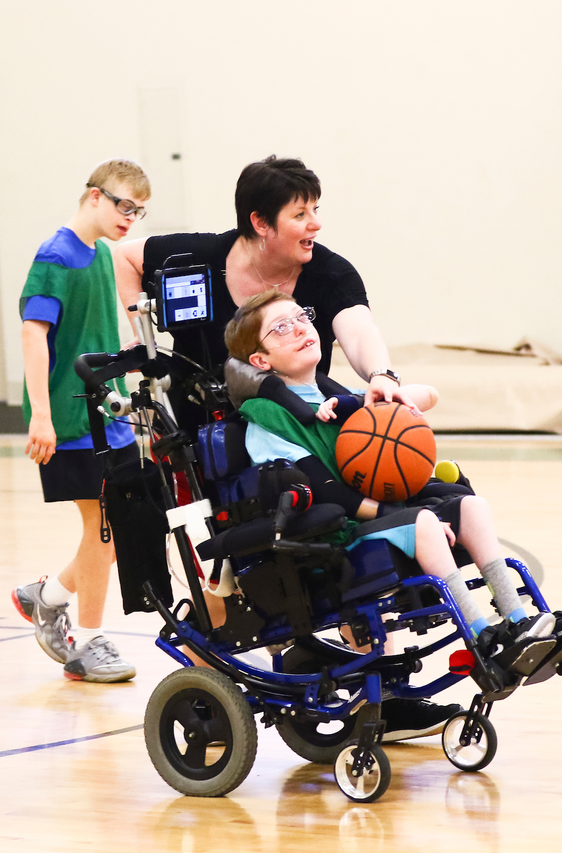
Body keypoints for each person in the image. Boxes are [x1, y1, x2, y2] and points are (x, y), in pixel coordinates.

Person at [113, 155, 459, 738]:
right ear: (261, 223)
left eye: (316, 210)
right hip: (212, 443)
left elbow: (356, 328)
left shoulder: (327, 272)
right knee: (223, 578)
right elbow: (124, 255)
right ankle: (211, 700)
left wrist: (384, 378)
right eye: (301, 214)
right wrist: (142, 353)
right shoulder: (196, 256)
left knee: (361, 521)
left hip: (302, 428)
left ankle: (386, 683)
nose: (315, 224)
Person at [224, 291, 562, 647]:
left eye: (302, 316)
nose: (302, 327)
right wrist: (400, 513)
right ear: (260, 361)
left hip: (379, 517)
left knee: (471, 506)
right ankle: (481, 635)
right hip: (335, 534)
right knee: (425, 522)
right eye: (283, 327)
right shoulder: (267, 420)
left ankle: (517, 622)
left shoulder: (336, 394)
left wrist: (371, 399)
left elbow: (430, 395)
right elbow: (327, 492)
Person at [10, 161, 152, 683]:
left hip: (105, 412)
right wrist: (41, 417)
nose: (131, 219)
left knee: (117, 525)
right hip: (69, 418)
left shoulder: (102, 255)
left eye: (139, 212)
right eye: (125, 207)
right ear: (95, 196)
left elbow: (103, 328)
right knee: (106, 525)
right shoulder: (55, 257)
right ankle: (86, 643)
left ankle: (45, 596)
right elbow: (33, 335)